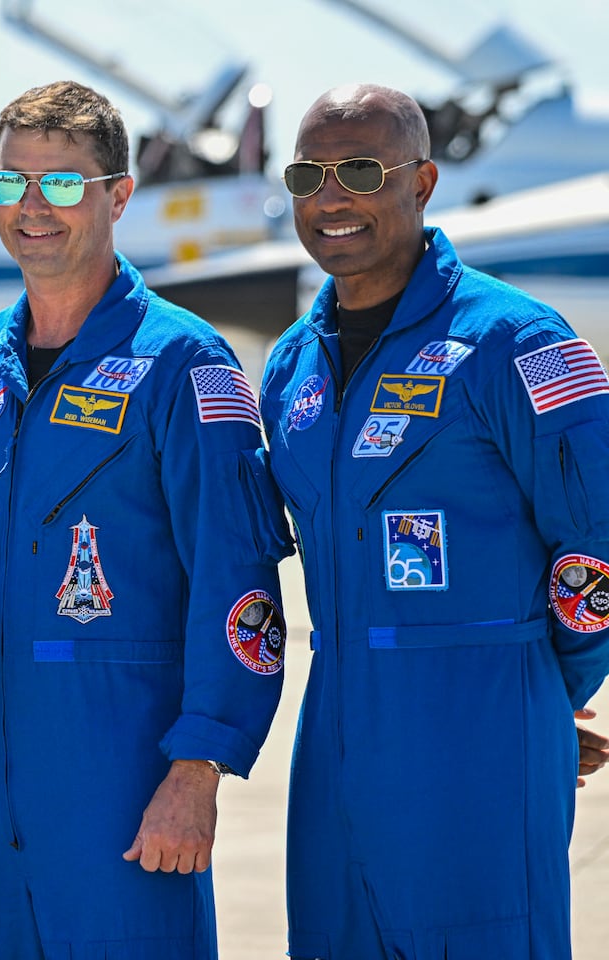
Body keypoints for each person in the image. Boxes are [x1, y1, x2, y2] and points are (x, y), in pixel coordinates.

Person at [0, 80, 293, 958]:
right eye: (11, 183)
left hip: (123, 771)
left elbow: (237, 575)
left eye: (63, 184)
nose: (32, 209)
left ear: (118, 195)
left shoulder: (184, 363)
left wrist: (198, 770)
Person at [259, 82, 609, 959]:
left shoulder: (518, 342)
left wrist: (531, 693)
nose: (330, 197)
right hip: (334, 723)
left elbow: (597, 542)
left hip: (482, 731)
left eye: (361, 170)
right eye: (308, 174)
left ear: (422, 183)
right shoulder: (290, 369)